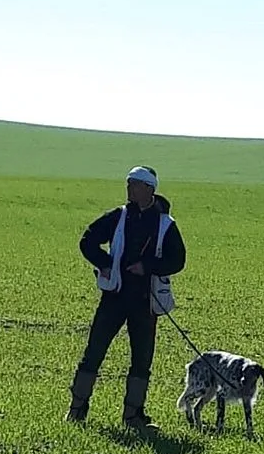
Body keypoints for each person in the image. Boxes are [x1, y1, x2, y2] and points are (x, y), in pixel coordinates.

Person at [65, 165, 186, 430]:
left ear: (149, 189)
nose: (129, 188)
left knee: (141, 360)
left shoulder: (166, 224)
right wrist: (105, 263)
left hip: (145, 302)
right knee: (93, 353)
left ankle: (133, 416)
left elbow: (178, 260)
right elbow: (87, 240)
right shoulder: (118, 216)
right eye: (128, 183)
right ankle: (76, 409)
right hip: (114, 297)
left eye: (134, 184)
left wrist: (147, 267)